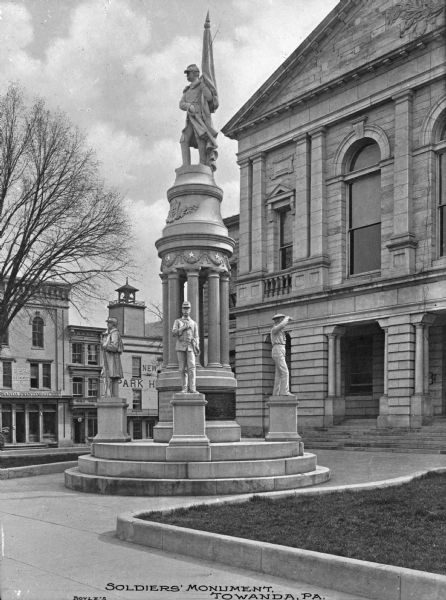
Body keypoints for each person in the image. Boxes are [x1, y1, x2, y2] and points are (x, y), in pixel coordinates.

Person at [179, 64, 218, 171]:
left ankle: (202, 163)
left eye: (189, 73)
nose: (187, 75)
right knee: (184, 139)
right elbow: (181, 104)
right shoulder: (187, 90)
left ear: (195, 73)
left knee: (200, 138)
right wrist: (189, 106)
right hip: (190, 117)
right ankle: (185, 165)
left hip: (200, 116)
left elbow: (210, 97)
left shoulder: (201, 85)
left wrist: (204, 86)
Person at [172, 300, 200, 393]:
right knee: (182, 369)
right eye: (184, 308)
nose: (185, 310)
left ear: (190, 309)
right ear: (182, 309)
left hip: (190, 347)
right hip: (180, 346)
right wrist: (183, 327)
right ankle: (184, 388)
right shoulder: (178, 321)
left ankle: (192, 388)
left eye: (187, 308)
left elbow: (196, 336)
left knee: (192, 368)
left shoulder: (194, 323)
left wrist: (196, 345)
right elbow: (174, 333)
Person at [270, 313, 293, 396]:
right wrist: (287, 319)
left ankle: (276, 393)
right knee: (285, 372)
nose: (282, 321)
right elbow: (282, 325)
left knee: (279, 374)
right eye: (281, 319)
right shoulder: (275, 329)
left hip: (280, 350)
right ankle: (284, 391)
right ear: (278, 320)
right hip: (277, 349)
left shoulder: (280, 331)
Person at [101, 317, 124, 397]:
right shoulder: (110, 333)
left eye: (109, 323)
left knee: (112, 376)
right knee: (110, 376)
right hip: (109, 358)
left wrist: (105, 346)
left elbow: (114, 346)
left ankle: (111, 395)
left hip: (112, 359)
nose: (107, 324)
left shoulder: (114, 333)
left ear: (113, 324)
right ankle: (110, 395)